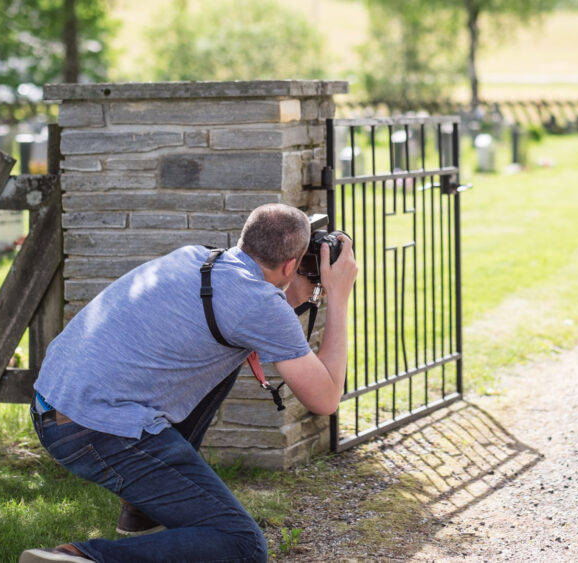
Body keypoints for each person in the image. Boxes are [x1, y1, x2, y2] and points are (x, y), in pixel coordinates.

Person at [20, 203, 358, 563]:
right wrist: (338, 296)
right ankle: (86, 558)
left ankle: (141, 508)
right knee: (242, 545)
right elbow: (325, 398)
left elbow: (257, 313)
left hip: (52, 403)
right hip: (95, 429)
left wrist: (300, 289)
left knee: (228, 351)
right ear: (291, 265)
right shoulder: (256, 304)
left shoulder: (198, 258)